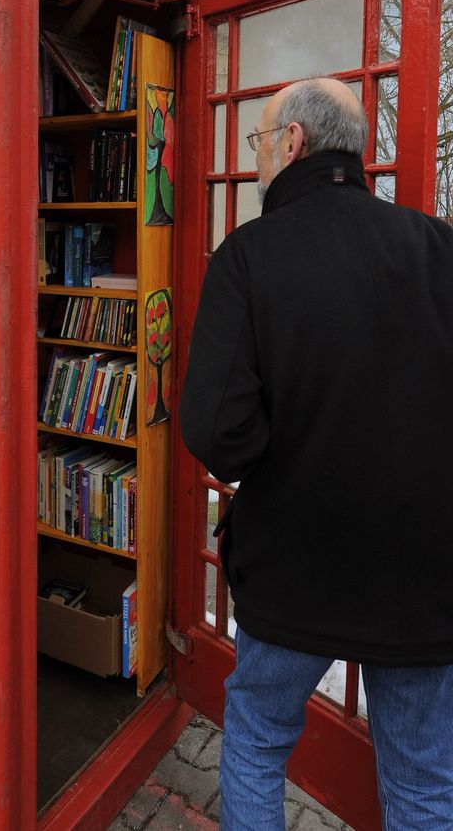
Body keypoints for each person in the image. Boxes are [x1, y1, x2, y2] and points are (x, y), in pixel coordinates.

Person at [179, 78, 453, 830]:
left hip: (295, 568)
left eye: (259, 141)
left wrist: (283, 441)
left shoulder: (249, 256)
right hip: (427, 578)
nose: (258, 156)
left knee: (258, 744)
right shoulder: (439, 247)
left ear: (292, 142)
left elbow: (216, 430)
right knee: (427, 783)